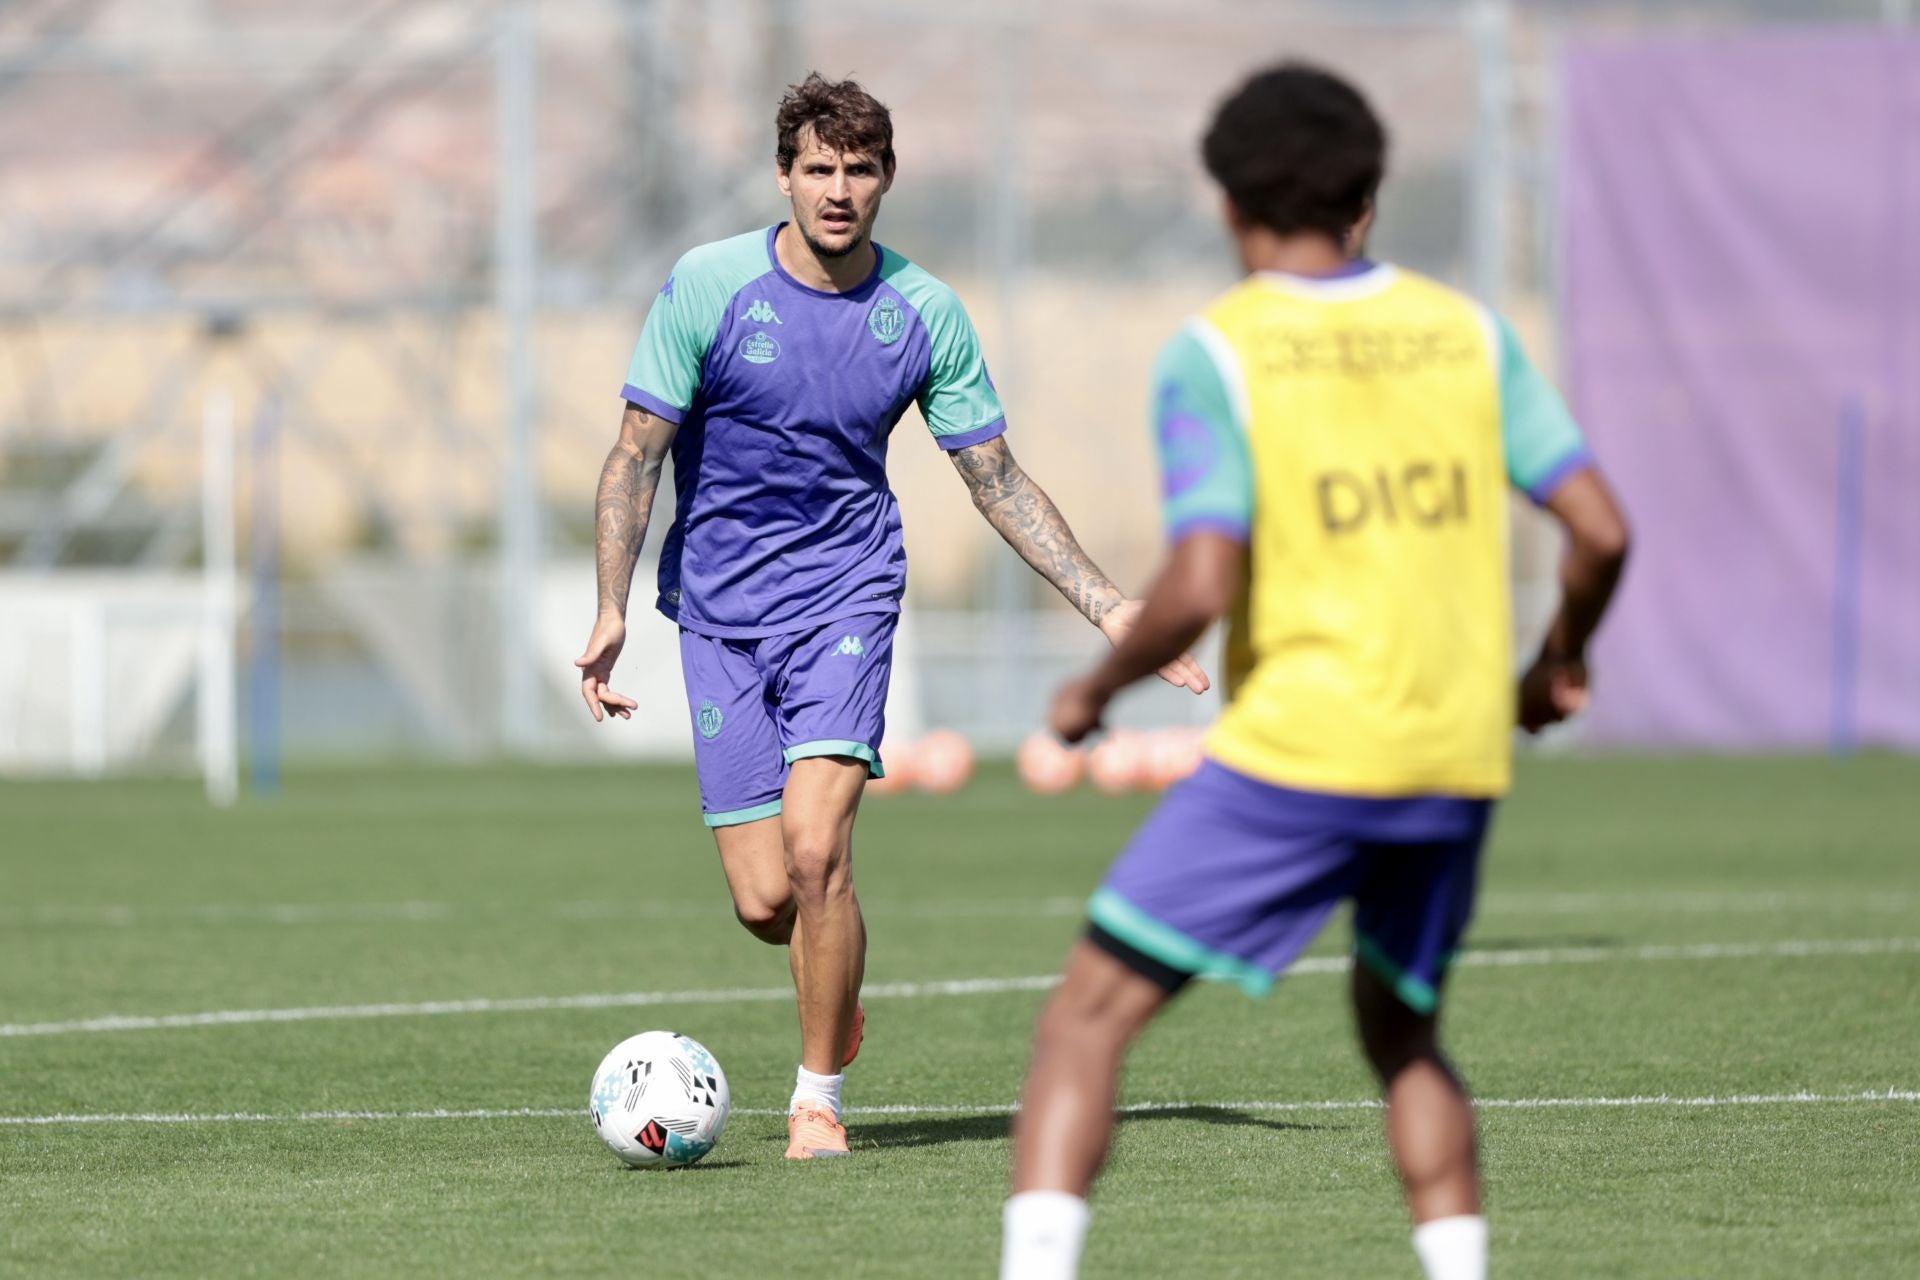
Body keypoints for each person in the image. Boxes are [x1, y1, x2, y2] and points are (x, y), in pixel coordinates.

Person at [999, 63, 1630, 1279]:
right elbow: (1602, 529)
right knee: (1403, 1033)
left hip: (1304, 753)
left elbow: (1198, 581)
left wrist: (1089, 692)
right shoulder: (1467, 333)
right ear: (1369, 198)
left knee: (1084, 1018)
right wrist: (1557, 662)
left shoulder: (1219, 352)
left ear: (1231, 205)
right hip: (1453, 757)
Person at [575, 73, 1207, 1162]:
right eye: (817, 168)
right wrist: (610, 607)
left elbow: (995, 477)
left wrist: (1108, 603)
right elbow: (635, 456)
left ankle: (817, 1095)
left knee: (819, 852)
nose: (837, 189)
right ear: (784, 176)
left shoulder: (923, 312)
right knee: (767, 898)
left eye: (858, 170)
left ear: (886, 179)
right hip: (719, 612)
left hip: (845, 597)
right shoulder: (707, 288)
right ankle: (840, 986)